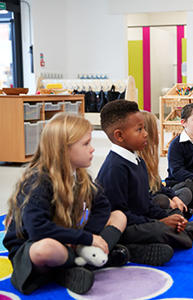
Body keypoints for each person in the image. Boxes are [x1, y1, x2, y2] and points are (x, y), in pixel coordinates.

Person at [3, 113, 128, 295]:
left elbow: (102, 206)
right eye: (86, 144)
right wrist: (86, 239)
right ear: (63, 149)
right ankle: (75, 267)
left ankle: (85, 258)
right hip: (33, 245)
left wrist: (84, 236)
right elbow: (38, 230)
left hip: (70, 239)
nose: (92, 149)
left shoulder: (80, 176)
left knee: (119, 216)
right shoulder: (37, 182)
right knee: (47, 249)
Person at [96, 100, 193, 266]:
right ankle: (130, 250)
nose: (146, 133)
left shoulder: (138, 161)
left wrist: (166, 216)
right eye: (139, 129)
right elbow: (120, 216)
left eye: (144, 128)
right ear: (119, 136)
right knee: (162, 230)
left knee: (172, 223)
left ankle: (178, 230)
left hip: (141, 219)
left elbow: (146, 204)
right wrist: (159, 223)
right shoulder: (114, 168)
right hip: (124, 228)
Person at [137, 111, 193, 219]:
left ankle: (176, 213)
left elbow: (158, 186)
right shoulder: (137, 161)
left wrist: (173, 198)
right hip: (149, 205)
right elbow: (143, 197)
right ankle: (176, 216)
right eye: (156, 131)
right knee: (162, 199)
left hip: (159, 195)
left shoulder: (150, 158)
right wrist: (168, 200)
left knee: (185, 191)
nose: (158, 134)